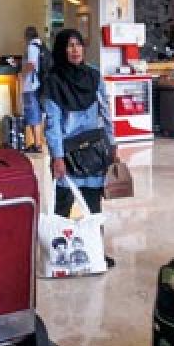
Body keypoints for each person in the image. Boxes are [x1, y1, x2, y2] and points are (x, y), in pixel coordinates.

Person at [43, 28, 116, 268]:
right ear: (61, 50)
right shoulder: (53, 81)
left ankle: (95, 252)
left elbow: (105, 111)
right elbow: (52, 123)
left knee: (93, 206)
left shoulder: (93, 76)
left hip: (93, 151)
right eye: (69, 45)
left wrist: (112, 143)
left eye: (78, 45)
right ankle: (59, 256)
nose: (75, 50)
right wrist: (57, 157)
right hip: (67, 153)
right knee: (63, 206)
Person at [20, 26, 47, 153]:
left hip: (31, 86)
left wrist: (22, 74)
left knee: (33, 114)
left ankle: (37, 144)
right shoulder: (41, 46)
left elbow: (31, 64)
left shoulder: (32, 46)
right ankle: (37, 143)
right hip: (38, 85)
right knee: (36, 114)